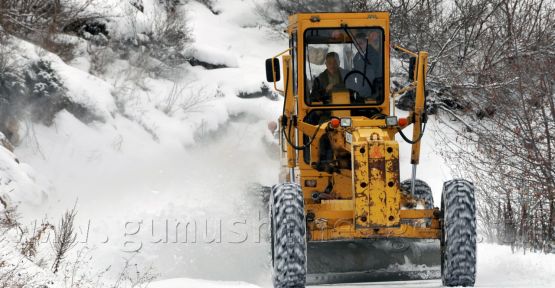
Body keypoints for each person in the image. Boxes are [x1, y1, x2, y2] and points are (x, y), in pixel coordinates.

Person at [348, 31, 383, 100]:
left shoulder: (373, 56)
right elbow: (358, 69)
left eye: (361, 43)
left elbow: (370, 75)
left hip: (371, 92)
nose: (358, 46)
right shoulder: (358, 55)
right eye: (356, 44)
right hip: (362, 89)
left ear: (366, 42)